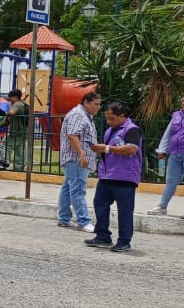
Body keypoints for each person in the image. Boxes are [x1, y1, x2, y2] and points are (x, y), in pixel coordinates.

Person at [85, 101, 143, 253]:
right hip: (107, 176)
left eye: (111, 118)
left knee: (124, 211)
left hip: (125, 177)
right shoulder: (110, 130)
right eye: (107, 118)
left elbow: (131, 149)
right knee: (99, 204)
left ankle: (124, 241)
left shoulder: (131, 129)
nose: (108, 121)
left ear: (122, 116)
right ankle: (103, 235)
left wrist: (106, 148)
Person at [57, 90, 101, 232]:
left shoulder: (85, 115)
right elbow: (72, 135)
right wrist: (82, 155)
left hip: (76, 158)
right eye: (96, 104)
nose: (98, 107)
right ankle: (83, 221)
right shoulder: (78, 114)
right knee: (78, 189)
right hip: (76, 159)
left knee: (68, 187)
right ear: (86, 102)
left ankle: (64, 218)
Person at [0, 89, 28, 171]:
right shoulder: (24, 104)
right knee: (20, 150)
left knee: (4, 145)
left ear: (15, 97)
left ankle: (4, 162)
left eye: (10, 97)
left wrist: (5, 113)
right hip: (24, 132)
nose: (9, 100)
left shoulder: (17, 104)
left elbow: (12, 112)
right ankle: (19, 169)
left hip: (15, 131)